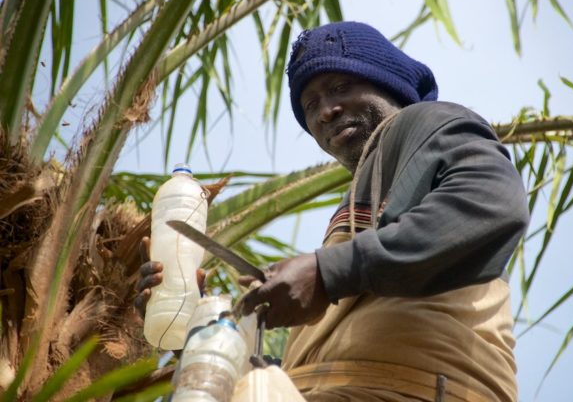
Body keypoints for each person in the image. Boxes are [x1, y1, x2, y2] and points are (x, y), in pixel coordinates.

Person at [137, 21, 529, 401]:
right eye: (311, 105)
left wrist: (326, 272)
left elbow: (492, 201)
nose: (326, 111)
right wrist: (200, 327)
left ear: (387, 84)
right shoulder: (360, 208)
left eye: (340, 86)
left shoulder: (425, 122)